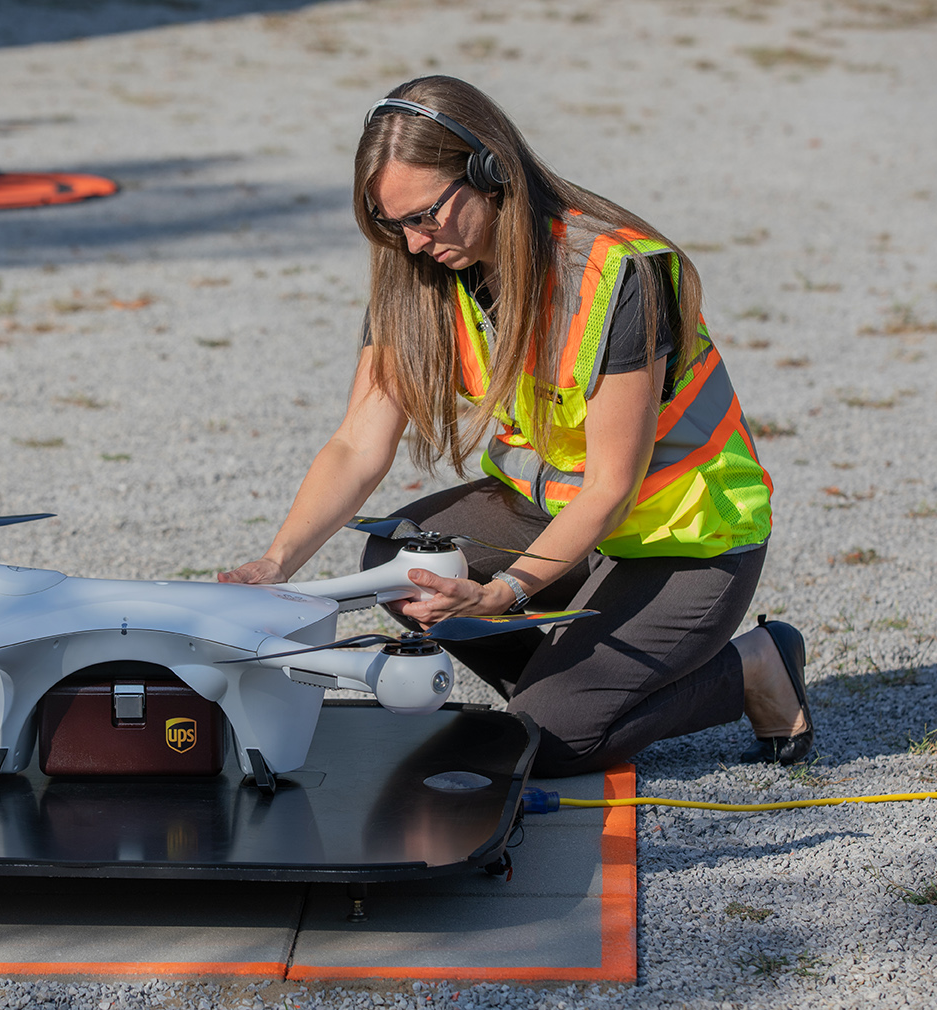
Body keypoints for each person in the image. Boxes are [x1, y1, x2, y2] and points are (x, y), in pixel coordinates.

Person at [219, 76, 812, 777]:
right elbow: (357, 441)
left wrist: (502, 594)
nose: (412, 244)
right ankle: (576, 687)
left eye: (426, 217)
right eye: (392, 225)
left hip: (682, 538)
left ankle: (749, 667)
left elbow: (611, 488)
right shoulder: (420, 279)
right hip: (559, 520)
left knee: (547, 741)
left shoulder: (614, 276)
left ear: (490, 172)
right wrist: (276, 563)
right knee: (397, 562)